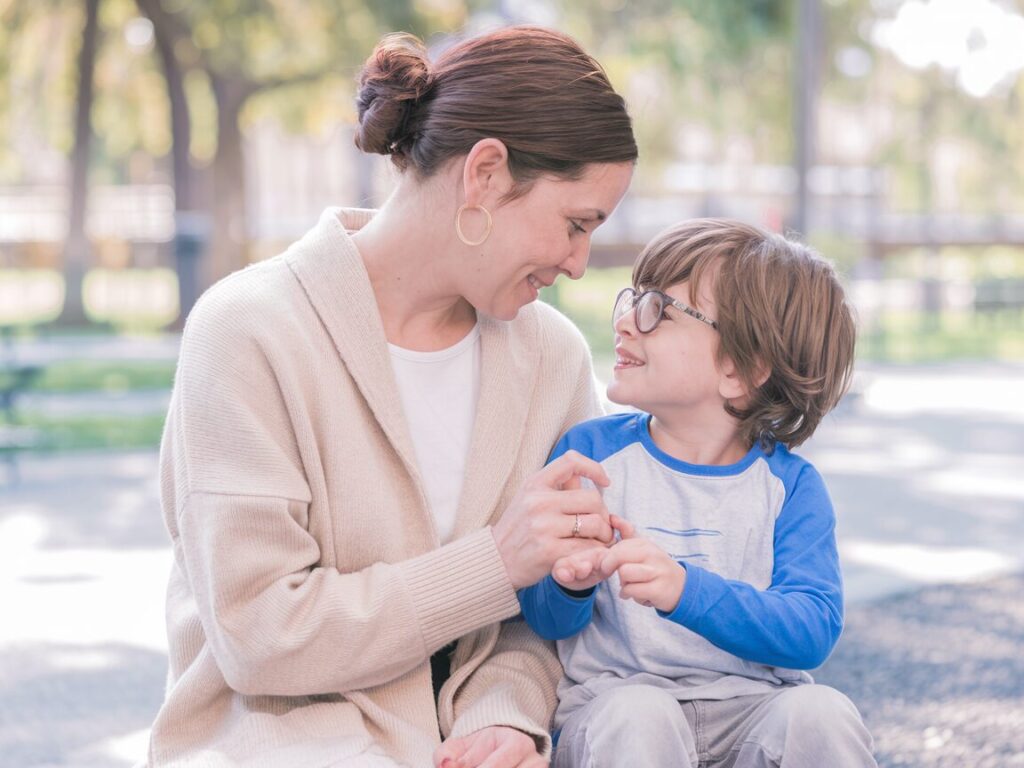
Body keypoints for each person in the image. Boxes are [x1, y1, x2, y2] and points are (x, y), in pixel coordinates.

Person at [143, 26, 636, 768]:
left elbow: (550, 609)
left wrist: (503, 717)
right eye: (575, 224)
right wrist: (494, 564)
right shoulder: (249, 331)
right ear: (487, 174)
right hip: (279, 742)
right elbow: (259, 634)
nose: (577, 263)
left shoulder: (552, 357)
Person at [519, 219, 878, 767]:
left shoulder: (791, 489)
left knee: (822, 713)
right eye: (632, 299)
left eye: (657, 309)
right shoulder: (589, 456)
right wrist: (570, 588)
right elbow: (546, 622)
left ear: (739, 370)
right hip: (617, 710)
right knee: (640, 715)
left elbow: (811, 632)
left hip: (753, 709)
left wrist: (685, 589)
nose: (625, 322)